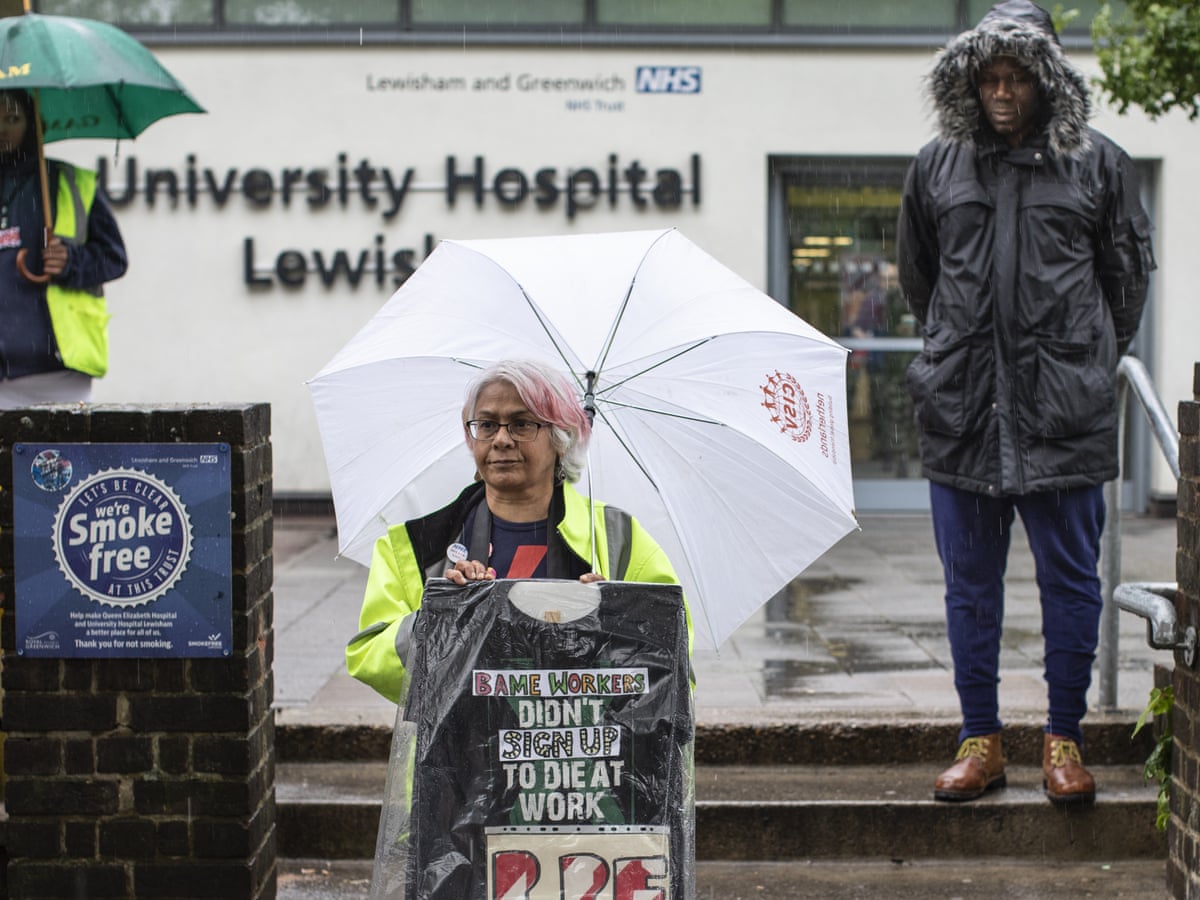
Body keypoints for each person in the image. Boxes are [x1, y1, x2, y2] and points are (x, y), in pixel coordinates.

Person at [897, 0, 1155, 806]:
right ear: (971, 83)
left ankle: (1063, 739)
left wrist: (1078, 360)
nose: (1003, 93)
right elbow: (920, 280)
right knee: (968, 587)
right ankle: (981, 740)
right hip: (964, 411)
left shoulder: (1100, 165)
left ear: (1047, 80)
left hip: (1062, 415)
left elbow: (1125, 285)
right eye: (990, 78)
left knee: (1070, 584)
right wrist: (961, 351)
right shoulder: (937, 166)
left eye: (1018, 78)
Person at [346, 358, 684, 703]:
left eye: (522, 424)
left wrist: (616, 624)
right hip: (459, 754)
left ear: (561, 439)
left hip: (582, 751)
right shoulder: (416, 545)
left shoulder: (617, 538)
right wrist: (447, 616)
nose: (502, 439)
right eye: (487, 425)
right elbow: (370, 658)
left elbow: (672, 660)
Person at [0, 88, 128, 407]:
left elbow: (114, 257)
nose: (3, 129)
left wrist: (70, 261)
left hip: (57, 373)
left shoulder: (68, 181)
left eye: (13, 118)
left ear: (34, 124)